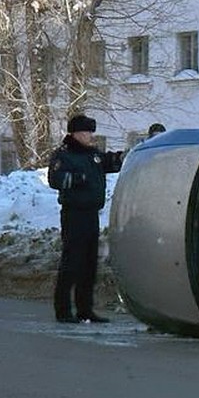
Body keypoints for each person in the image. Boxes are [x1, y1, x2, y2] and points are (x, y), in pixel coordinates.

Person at [47, 114, 125, 324]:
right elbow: (55, 179)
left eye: (91, 132)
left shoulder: (92, 155)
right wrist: (79, 179)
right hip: (74, 214)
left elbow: (108, 163)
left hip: (91, 213)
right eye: (85, 132)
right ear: (74, 133)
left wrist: (124, 157)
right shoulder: (65, 155)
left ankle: (85, 309)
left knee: (89, 264)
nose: (89, 136)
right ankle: (63, 310)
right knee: (72, 262)